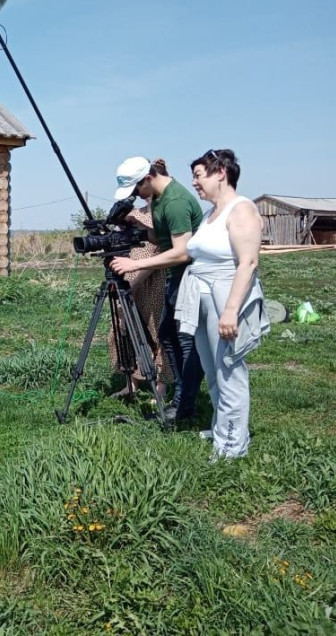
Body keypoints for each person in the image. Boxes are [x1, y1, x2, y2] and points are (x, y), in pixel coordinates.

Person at [175, 149, 268, 459]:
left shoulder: (241, 210)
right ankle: (223, 428)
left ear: (220, 173)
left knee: (229, 370)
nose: (194, 183)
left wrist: (230, 310)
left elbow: (248, 262)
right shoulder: (211, 213)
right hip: (201, 294)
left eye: (198, 175)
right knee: (211, 370)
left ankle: (232, 445)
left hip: (225, 295)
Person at [111, 157, 204, 425]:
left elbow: (181, 252)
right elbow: (162, 239)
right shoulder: (161, 199)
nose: (136, 196)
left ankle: (184, 405)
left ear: (148, 179)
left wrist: (135, 263)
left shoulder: (173, 202)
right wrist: (139, 227)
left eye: (136, 189)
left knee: (184, 343)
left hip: (187, 277)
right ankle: (182, 401)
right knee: (168, 335)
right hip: (176, 277)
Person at [107, 192, 171, 401]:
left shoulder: (163, 215)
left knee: (157, 332)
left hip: (153, 279)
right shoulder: (134, 214)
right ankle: (132, 382)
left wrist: (135, 279)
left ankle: (161, 386)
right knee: (125, 327)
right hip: (130, 275)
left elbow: (160, 251)